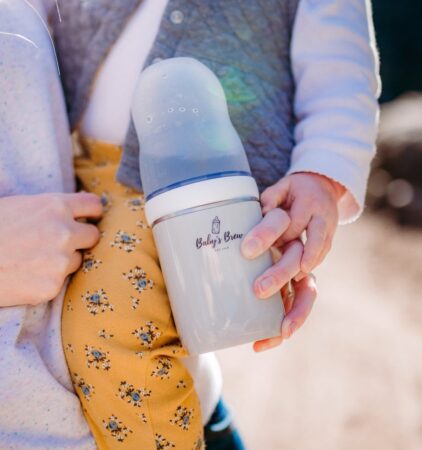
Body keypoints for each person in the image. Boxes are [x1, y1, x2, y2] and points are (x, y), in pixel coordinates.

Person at [0, 0, 379, 448]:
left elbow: (340, 78)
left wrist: (321, 176)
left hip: (203, 182)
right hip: (83, 166)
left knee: (110, 328)